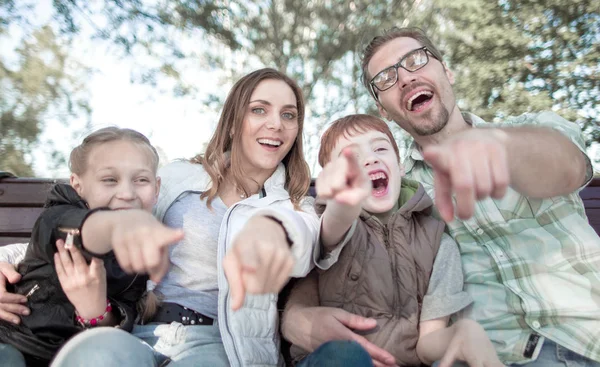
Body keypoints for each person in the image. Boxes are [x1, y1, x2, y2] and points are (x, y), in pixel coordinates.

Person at [0, 67, 368, 367]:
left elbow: (308, 240)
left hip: (219, 344)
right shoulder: (177, 177)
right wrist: (6, 260)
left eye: (289, 115)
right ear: (235, 118)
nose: (276, 124)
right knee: (94, 356)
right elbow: (102, 222)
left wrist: (272, 229)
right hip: (134, 331)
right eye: (260, 109)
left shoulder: (293, 204)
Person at [283, 27, 600, 367]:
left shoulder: (527, 130)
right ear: (384, 110)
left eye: (416, 60)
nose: (405, 78)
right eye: (387, 78)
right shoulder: (400, 193)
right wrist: (293, 317)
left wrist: (500, 145)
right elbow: (337, 250)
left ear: (446, 71)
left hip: (587, 331)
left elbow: (567, 167)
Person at [288, 114, 501, 367]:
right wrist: (344, 203)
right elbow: (330, 231)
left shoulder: (439, 243)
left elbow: (427, 344)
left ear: (400, 167)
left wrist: (461, 334)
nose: (370, 158)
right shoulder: (326, 218)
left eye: (379, 148)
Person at [0, 127, 160, 366]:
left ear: (156, 188)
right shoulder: (58, 216)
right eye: (109, 180)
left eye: (141, 180)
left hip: (73, 354)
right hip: (15, 338)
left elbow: (122, 314)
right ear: (77, 185)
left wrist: (97, 312)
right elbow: (75, 228)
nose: (127, 193)